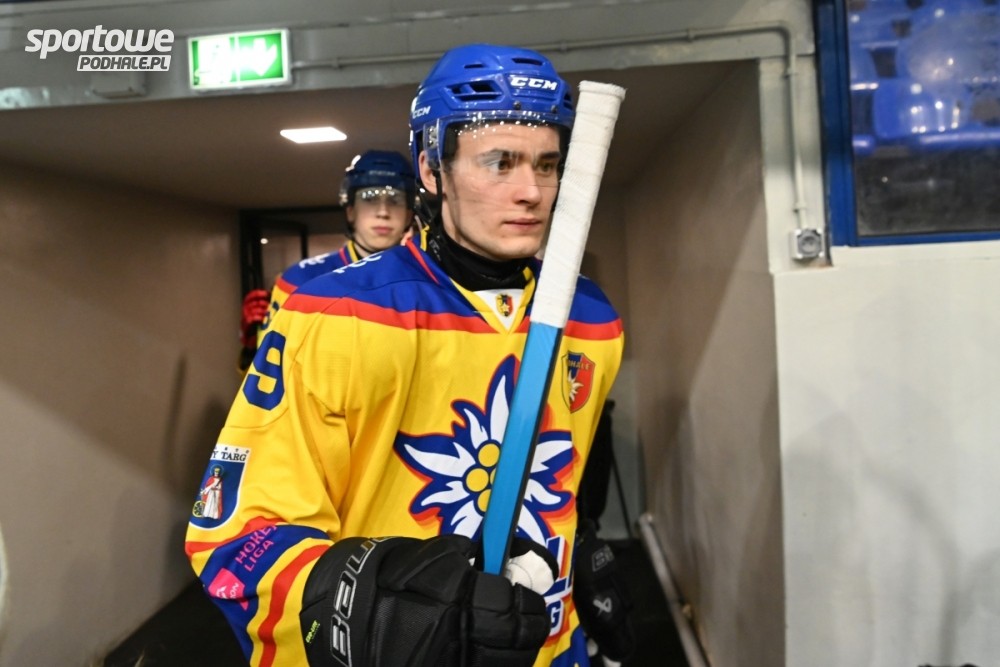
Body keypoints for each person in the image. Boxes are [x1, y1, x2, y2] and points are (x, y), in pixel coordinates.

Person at [187, 43, 627, 667]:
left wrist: (575, 562)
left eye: (547, 164)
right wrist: (381, 617)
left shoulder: (593, 318)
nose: (531, 191)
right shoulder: (332, 313)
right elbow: (239, 542)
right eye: (499, 162)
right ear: (430, 168)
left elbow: (559, 490)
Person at [237, 150, 416, 371]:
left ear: (409, 214)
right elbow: (268, 377)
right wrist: (251, 351)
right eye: (369, 198)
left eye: (395, 200)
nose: (383, 212)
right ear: (350, 210)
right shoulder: (299, 280)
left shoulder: (433, 280)